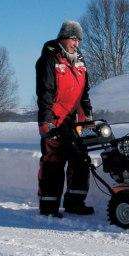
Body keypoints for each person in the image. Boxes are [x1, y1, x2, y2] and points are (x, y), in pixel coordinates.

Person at [36, 20, 94, 218]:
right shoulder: (49, 59)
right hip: (56, 120)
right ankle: (49, 206)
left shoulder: (81, 61)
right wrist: (45, 121)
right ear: (63, 37)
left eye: (79, 40)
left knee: (80, 160)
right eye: (73, 38)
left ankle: (75, 202)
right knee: (53, 162)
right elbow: (45, 92)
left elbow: (84, 94)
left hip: (76, 121)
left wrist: (88, 116)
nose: (76, 43)